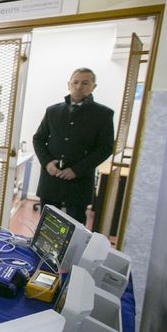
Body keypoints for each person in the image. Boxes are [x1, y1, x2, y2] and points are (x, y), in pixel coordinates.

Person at [32, 68, 114, 225]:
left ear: (93, 87)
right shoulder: (53, 111)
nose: (79, 86)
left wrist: (76, 170)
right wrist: (47, 163)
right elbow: (38, 139)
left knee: (74, 227)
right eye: (75, 82)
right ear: (68, 84)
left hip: (79, 180)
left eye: (85, 83)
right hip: (51, 178)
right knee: (47, 225)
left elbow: (105, 147)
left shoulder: (103, 114)